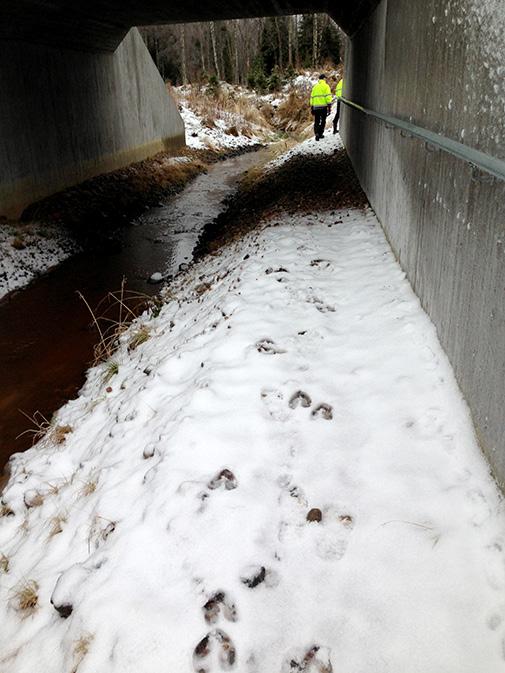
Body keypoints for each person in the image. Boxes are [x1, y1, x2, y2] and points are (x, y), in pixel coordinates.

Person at [310, 74, 332, 141]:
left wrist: (312, 107)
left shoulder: (315, 87)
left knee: (316, 121)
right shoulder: (326, 86)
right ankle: (320, 134)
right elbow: (328, 97)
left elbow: (311, 98)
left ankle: (316, 133)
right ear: (324, 79)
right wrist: (329, 106)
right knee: (323, 121)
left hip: (316, 107)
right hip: (323, 107)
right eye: (326, 78)